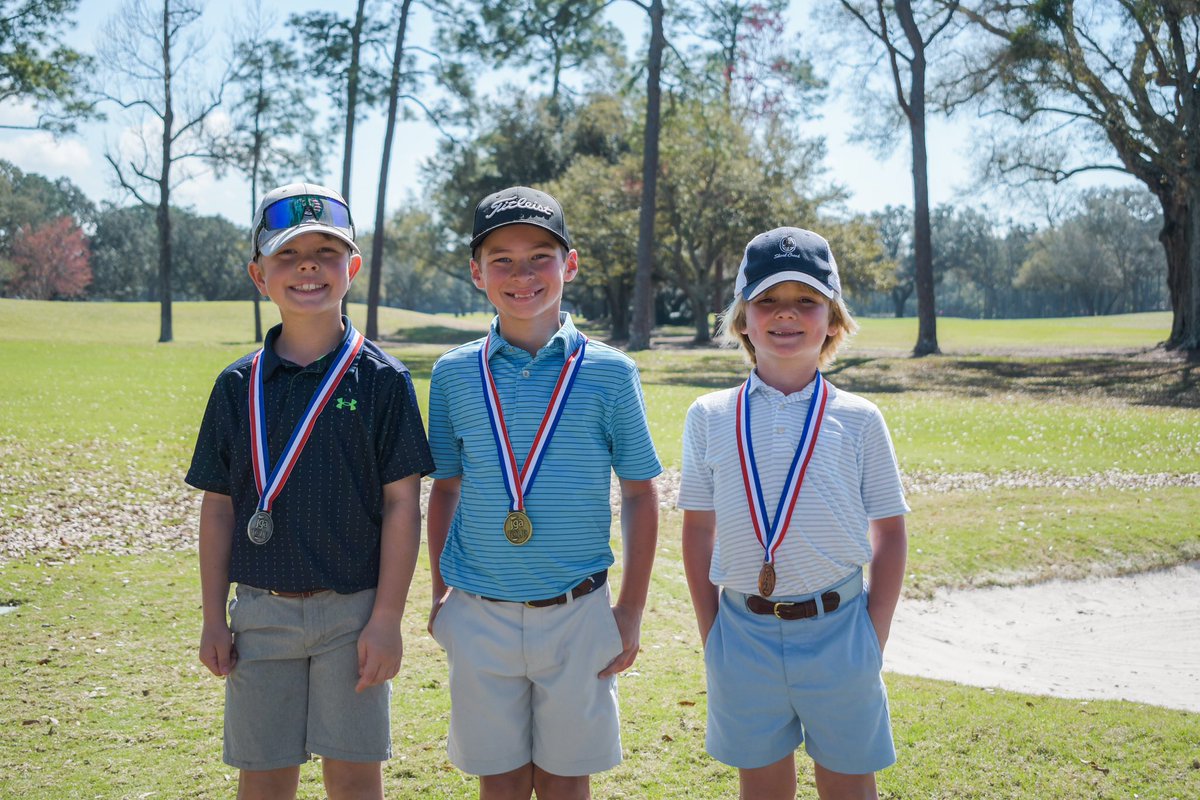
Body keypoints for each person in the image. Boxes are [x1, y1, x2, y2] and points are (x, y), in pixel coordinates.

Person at [185, 182, 434, 800]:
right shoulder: (234, 385)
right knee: (264, 776)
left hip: (353, 612)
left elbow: (404, 505)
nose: (307, 268)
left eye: (326, 252)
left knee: (353, 775)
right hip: (260, 613)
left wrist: (386, 619)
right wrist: (214, 616)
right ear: (258, 275)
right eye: (287, 256)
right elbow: (218, 507)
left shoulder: (383, 380)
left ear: (351, 268)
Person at [425, 186, 662, 800]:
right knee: (498, 782)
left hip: (578, 610)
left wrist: (630, 610)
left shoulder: (611, 372)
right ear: (477, 272)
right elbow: (445, 486)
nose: (521, 274)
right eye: (500, 258)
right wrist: (438, 591)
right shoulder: (454, 374)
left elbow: (639, 491)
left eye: (540, 256)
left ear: (570, 264)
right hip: (479, 610)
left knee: (565, 782)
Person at [678, 227, 909, 800]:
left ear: (833, 319)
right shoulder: (709, 414)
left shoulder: (859, 418)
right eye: (768, 302)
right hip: (742, 632)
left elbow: (891, 532)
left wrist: (870, 637)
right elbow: (697, 532)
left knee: (850, 785)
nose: (786, 316)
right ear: (742, 319)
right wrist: (714, 635)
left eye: (806, 301)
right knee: (761, 788)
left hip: (840, 629)